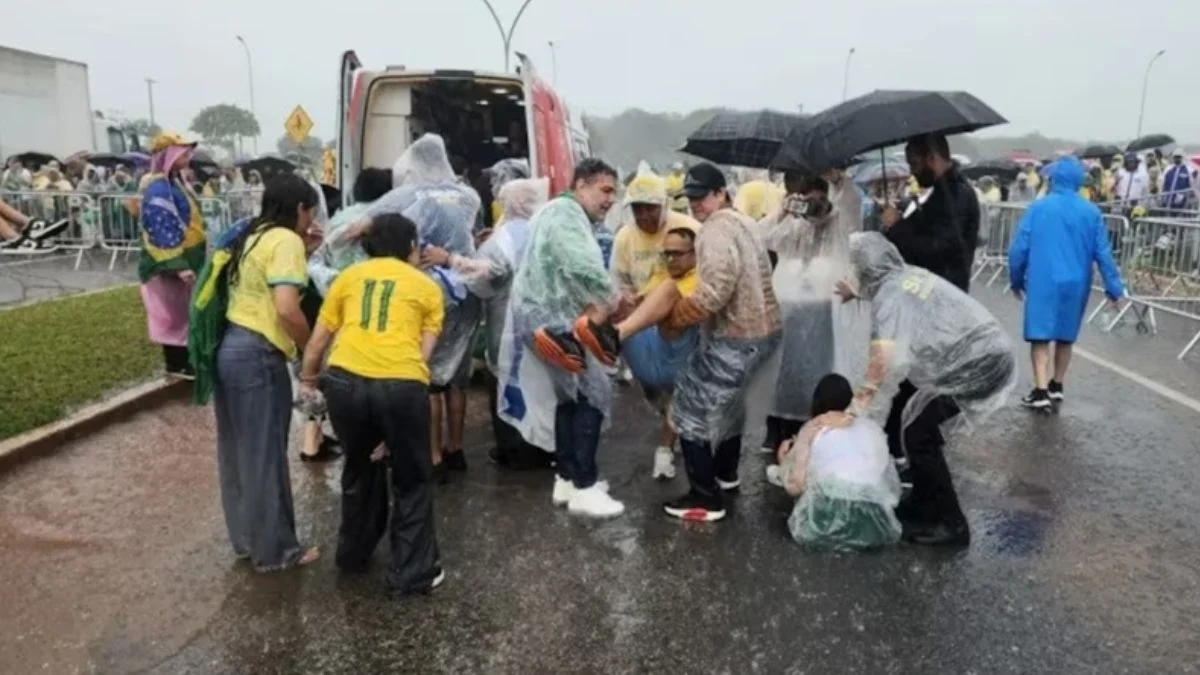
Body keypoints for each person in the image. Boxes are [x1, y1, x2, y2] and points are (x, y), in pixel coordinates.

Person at [574, 162, 781, 522]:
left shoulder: (714, 230)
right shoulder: (744, 223)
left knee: (687, 407)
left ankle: (705, 498)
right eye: (693, 198)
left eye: (704, 197)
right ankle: (725, 474)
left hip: (738, 335)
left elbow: (714, 293)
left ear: (722, 194)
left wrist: (674, 318)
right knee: (731, 404)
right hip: (765, 331)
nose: (698, 204)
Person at [836, 232, 1016, 546]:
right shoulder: (903, 277)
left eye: (855, 267)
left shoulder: (890, 299)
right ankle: (924, 501)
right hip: (987, 354)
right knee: (916, 424)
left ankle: (952, 523)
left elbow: (881, 367)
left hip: (980, 363)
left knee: (918, 432)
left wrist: (857, 413)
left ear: (866, 267)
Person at [298, 214, 445, 594]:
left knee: (359, 467)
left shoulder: (347, 278)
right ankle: (410, 574)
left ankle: (353, 555)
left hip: (343, 382)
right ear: (410, 246)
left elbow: (318, 341)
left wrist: (309, 380)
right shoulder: (426, 288)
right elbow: (422, 354)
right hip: (400, 384)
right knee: (412, 479)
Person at [497, 158, 626, 518]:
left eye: (614, 192)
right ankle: (584, 485)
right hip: (552, 319)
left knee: (568, 396)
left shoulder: (552, 211)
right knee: (593, 393)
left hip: (539, 315)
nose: (610, 200)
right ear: (581, 185)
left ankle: (567, 478)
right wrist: (614, 299)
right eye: (604, 190)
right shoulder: (567, 215)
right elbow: (582, 264)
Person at [214, 174, 322, 572]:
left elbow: (264, 288)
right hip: (260, 354)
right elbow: (286, 309)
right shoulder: (286, 240)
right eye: (309, 211)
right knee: (266, 456)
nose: (311, 220)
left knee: (239, 452)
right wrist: (310, 350)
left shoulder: (253, 235)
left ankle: (247, 539)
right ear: (298, 209)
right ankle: (276, 552)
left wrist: (306, 254)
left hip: (232, 349)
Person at [364, 134, 484, 481]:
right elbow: (472, 238)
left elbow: (386, 231)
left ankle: (432, 456)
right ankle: (456, 449)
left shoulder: (412, 198)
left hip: (428, 290)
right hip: (464, 290)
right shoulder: (468, 196)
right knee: (457, 380)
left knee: (429, 377)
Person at [422, 177, 551, 470]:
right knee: (540, 383)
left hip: (506, 326)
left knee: (505, 381)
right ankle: (544, 447)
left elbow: (480, 277)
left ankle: (512, 450)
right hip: (544, 325)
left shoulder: (501, 239)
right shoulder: (545, 232)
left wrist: (449, 259)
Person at [757, 174, 865, 456]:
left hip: (823, 314)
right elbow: (762, 237)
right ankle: (777, 429)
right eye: (808, 195)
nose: (814, 202)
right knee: (783, 372)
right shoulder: (794, 224)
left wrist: (839, 181)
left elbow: (851, 205)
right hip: (789, 311)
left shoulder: (840, 223)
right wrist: (782, 212)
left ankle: (818, 427)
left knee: (819, 373)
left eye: (821, 194)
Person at [1008, 157, 1124, 410]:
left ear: (1054, 179)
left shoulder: (1038, 209)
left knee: (1039, 335)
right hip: (1077, 280)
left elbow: (1019, 248)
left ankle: (1040, 390)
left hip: (1043, 279)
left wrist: (1015, 279)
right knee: (1065, 335)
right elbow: (1103, 252)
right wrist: (1114, 288)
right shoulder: (1091, 212)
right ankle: (1057, 384)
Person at [769, 374, 902, 551]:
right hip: (875, 526)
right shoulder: (871, 428)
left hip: (822, 525)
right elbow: (888, 482)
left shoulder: (813, 428)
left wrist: (784, 461)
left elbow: (796, 486)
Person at [138, 133, 209, 378]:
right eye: (182, 152)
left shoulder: (174, 183)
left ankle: (185, 361)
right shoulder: (159, 188)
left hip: (186, 257)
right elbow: (160, 228)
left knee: (182, 313)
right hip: (168, 263)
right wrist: (178, 265)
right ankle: (177, 364)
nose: (188, 156)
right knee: (171, 316)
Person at [882, 134, 977, 293]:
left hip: (943, 294)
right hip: (937, 291)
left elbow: (937, 249)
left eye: (914, 164)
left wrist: (896, 226)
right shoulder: (944, 192)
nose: (912, 172)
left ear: (932, 159)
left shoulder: (955, 195)